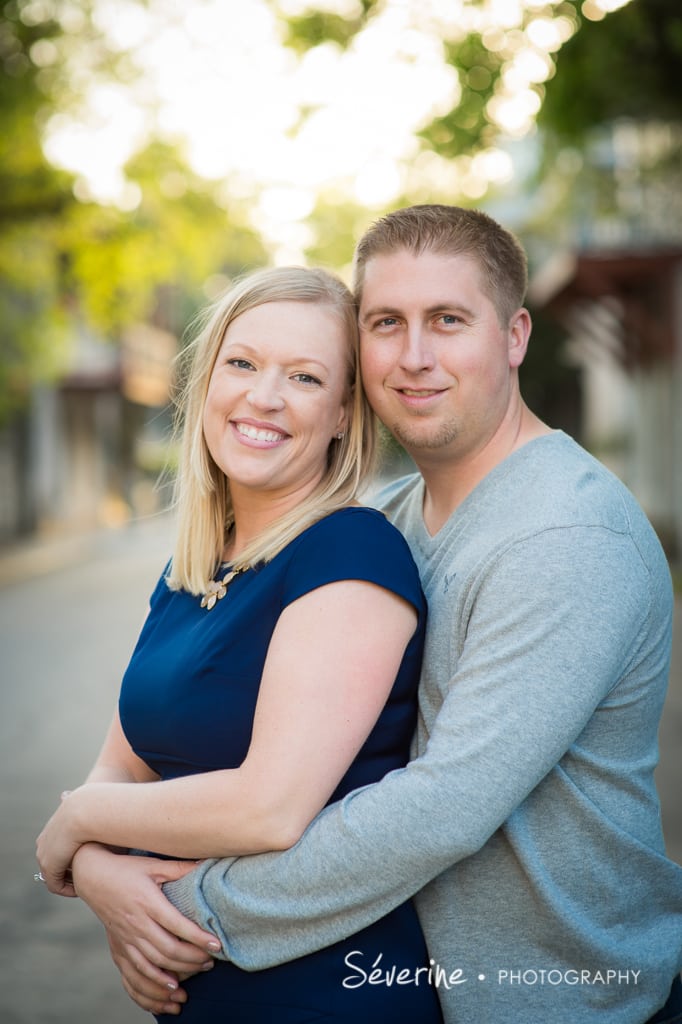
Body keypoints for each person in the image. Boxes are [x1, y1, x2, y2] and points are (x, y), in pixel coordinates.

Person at [49, 206, 682, 1024]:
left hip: (566, 1000)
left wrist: (177, 906)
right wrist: (103, 869)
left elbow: (437, 812)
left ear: (515, 335)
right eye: (386, 323)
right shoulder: (392, 515)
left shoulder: (566, 535)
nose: (414, 356)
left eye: (447, 320)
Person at [35, 265, 444, 1023]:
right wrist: (95, 869)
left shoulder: (351, 552)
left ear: (343, 413)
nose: (264, 396)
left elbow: (268, 808)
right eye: (243, 363)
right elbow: (123, 765)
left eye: (305, 377)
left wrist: (77, 823)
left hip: (323, 993)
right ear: (207, 381)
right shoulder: (193, 568)